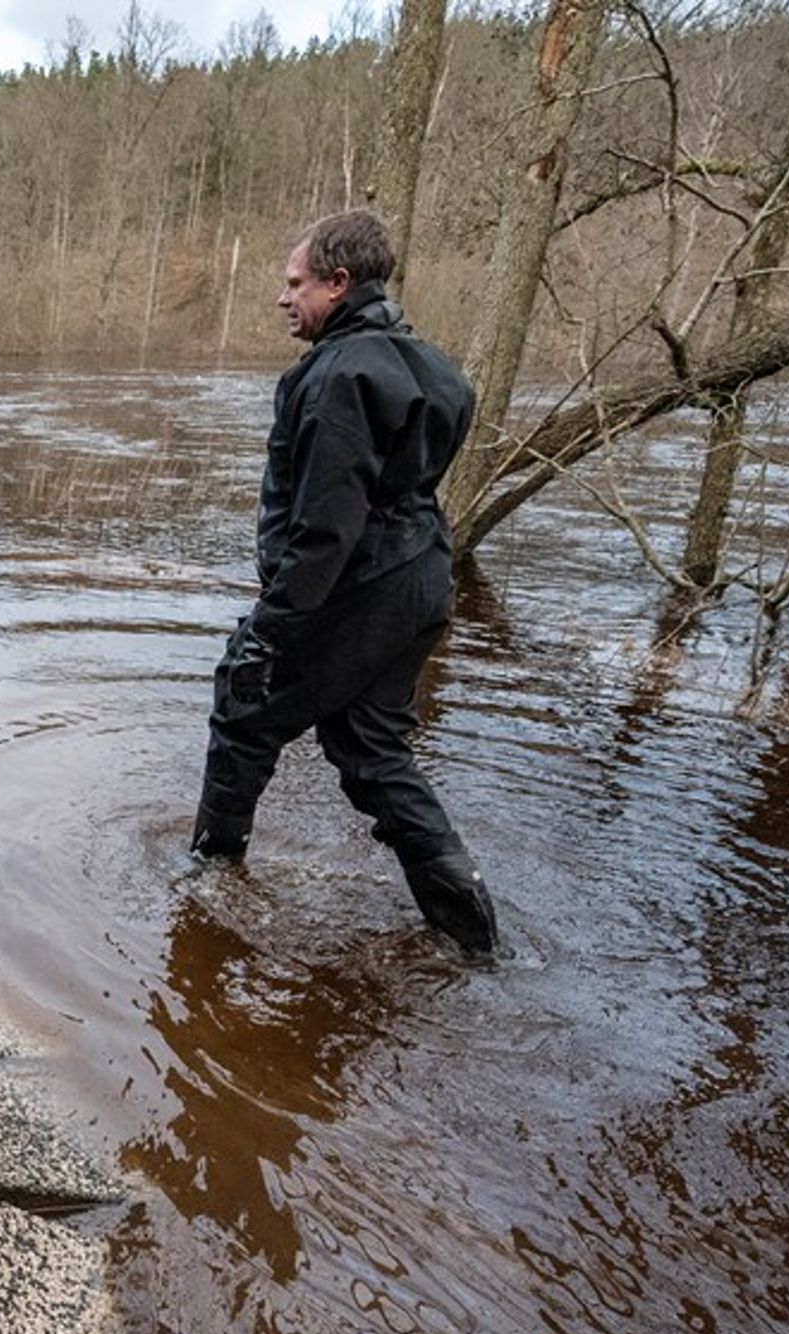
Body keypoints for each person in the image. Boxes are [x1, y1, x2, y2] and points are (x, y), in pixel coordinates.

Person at [191, 210, 500, 959]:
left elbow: (326, 524)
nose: (282, 298)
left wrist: (271, 627)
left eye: (295, 283)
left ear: (339, 282)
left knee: (243, 703)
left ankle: (207, 876)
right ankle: (475, 939)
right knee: (372, 751)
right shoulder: (433, 367)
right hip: (422, 578)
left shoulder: (338, 376)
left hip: (358, 583)